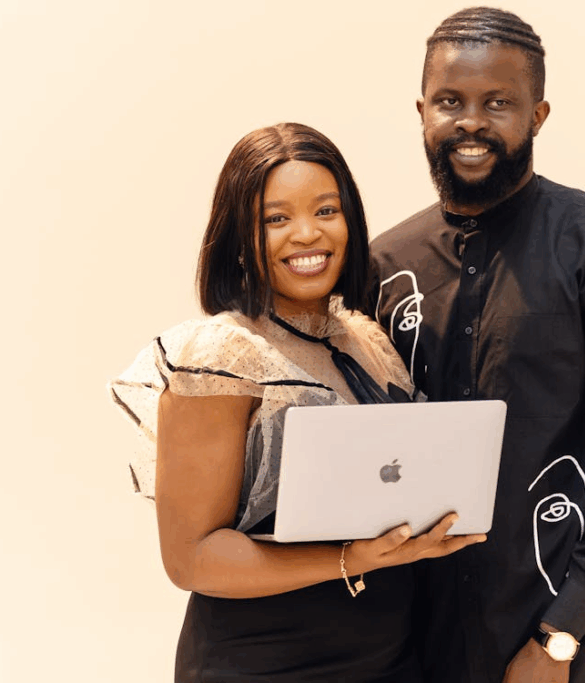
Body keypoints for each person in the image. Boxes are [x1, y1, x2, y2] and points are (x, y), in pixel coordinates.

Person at [109, 122, 485, 683]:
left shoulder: (368, 341)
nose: (307, 234)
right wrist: (349, 560)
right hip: (265, 662)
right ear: (240, 235)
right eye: (276, 218)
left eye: (326, 211)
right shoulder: (220, 353)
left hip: (390, 658)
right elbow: (191, 559)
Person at [370, 8, 585, 683]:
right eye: (451, 101)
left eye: (498, 102)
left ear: (538, 115)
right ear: (422, 109)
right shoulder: (385, 266)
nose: (471, 122)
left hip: (579, 651)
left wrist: (559, 636)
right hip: (427, 650)